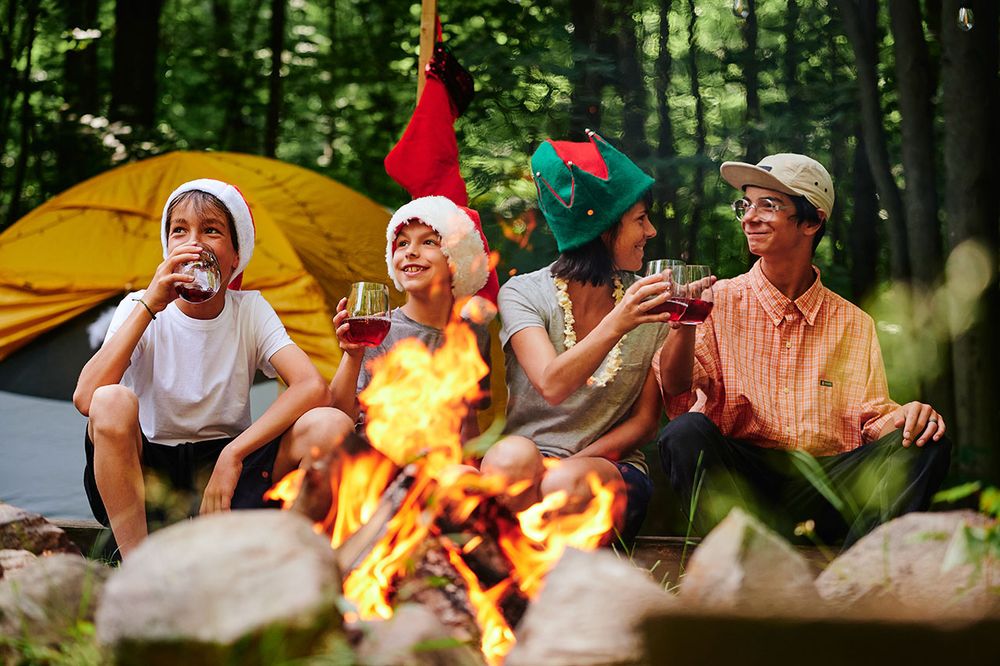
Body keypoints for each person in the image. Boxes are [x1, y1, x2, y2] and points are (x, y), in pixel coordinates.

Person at [654, 153, 952, 544]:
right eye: (746, 205)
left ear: (811, 221)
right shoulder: (717, 300)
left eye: (769, 205)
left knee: (927, 441)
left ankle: (857, 580)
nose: (749, 217)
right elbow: (675, 388)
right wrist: (685, 323)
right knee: (684, 432)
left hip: (829, 487)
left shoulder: (853, 324)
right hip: (744, 488)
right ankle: (738, 568)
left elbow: (873, 417)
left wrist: (910, 418)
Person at [74, 179, 330, 558]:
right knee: (110, 400)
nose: (193, 243)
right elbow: (85, 398)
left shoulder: (250, 310)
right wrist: (150, 305)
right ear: (167, 249)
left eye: (210, 230)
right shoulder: (138, 306)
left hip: (226, 476)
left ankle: (282, 561)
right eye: (180, 231)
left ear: (234, 255)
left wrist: (234, 455)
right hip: (148, 476)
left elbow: (311, 386)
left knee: (330, 425)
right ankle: (139, 567)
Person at [482, 131, 676, 543]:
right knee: (505, 459)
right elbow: (552, 383)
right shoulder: (523, 293)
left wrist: (573, 461)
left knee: (562, 486)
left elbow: (644, 423)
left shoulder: (647, 302)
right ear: (603, 228)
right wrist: (619, 322)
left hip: (608, 468)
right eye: (640, 220)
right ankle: (510, 587)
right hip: (529, 459)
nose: (652, 231)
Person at [294, 194, 497, 445]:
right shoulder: (379, 329)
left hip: (440, 467)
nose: (411, 251)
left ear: (456, 259)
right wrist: (352, 355)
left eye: (429, 242)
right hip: (377, 464)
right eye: (402, 244)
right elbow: (338, 418)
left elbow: (468, 424)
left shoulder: (473, 334)